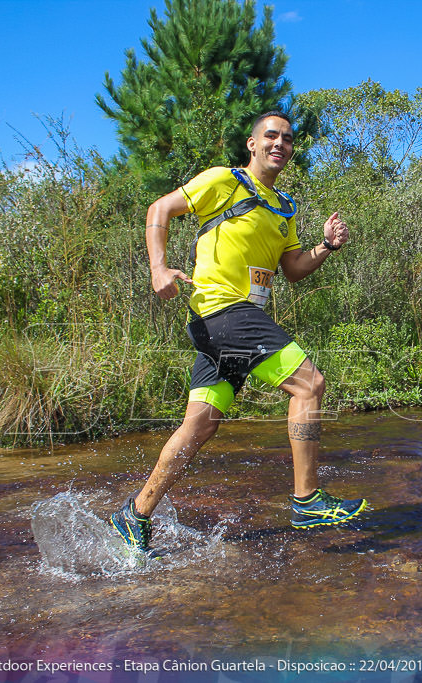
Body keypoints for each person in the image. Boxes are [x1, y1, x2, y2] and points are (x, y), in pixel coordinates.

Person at [110, 111, 367, 553]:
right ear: (252, 144)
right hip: (222, 311)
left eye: (287, 139)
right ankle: (307, 500)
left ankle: (135, 514)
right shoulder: (223, 181)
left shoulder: (283, 207)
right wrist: (157, 268)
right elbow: (160, 209)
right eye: (270, 136)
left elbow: (293, 270)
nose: (279, 144)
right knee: (309, 384)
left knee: (200, 426)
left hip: (224, 326)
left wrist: (325, 246)